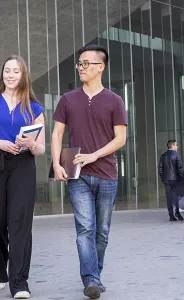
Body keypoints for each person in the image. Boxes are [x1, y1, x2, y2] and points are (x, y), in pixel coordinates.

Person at [51, 44, 127, 299]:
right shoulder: (68, 100)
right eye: (79, 64)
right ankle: (91, 280)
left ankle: (96, 274)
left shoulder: (114, 101)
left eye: (86, 64)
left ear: (100, 67)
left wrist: (94, 154)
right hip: (78, 174)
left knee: (102, 232)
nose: (81, 68)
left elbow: (121, 139)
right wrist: (56, 163)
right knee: (85, 229)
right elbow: (57, 133)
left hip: (107, 174)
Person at [0, 55, 45, 299]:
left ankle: (20, 282)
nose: (10, 75)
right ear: (2, 74)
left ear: (24, 75)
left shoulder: (34, 107)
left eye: (16, 71)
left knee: (20, 221)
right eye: (7, 71)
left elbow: (41, 149)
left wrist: (32, 143)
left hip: (23, 165)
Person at [159, 139, 184, 221]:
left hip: (167, 180)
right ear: (172, 145)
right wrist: (181, 179)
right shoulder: (176, 155)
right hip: (175, 180)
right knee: (177, 197)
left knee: (169, 198)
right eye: (176, 145)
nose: (177, 147)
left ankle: (171, 215)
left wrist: (164, 179)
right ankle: (177, 212)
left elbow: (160, 169)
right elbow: (180, 168)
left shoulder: (163, 156)